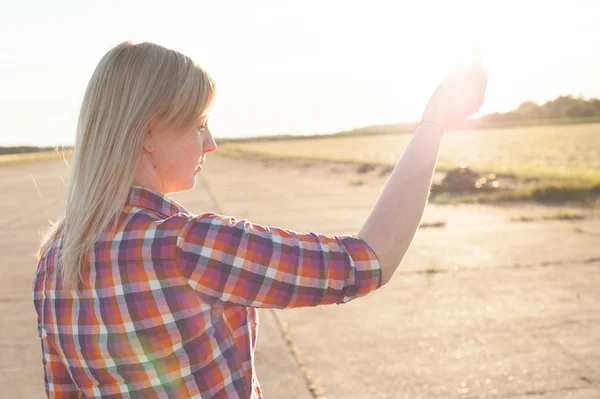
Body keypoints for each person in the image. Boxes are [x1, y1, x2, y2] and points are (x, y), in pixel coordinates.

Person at [32, 40, 487, 398]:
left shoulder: (53, 259)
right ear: (149, 132)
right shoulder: (190, 246)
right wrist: (434, 124)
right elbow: (367, 261)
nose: (210, 142)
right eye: (198, 123)